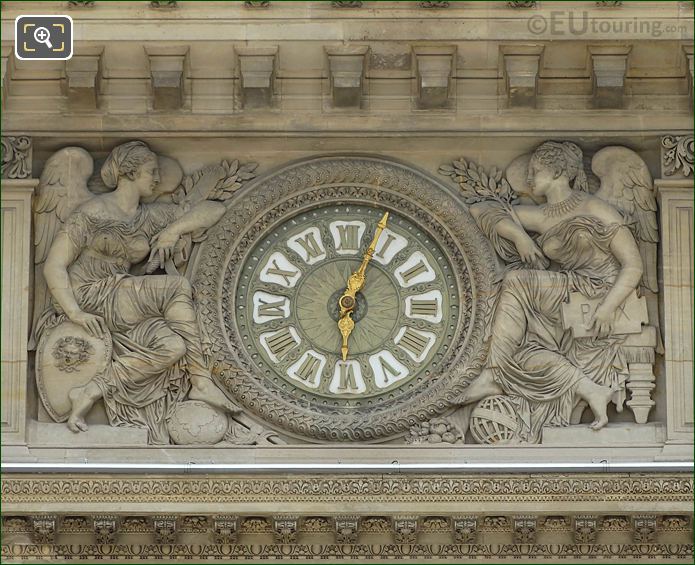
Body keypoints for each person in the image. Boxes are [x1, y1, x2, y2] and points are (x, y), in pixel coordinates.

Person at [43, 140, 239, 443]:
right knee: (177, 286)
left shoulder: (150, 216)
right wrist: (75, 312)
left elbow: (215, 209)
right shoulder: (91, 212)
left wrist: (174, 229)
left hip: (124, 302)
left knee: (173, 347)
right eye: (151, 171)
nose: (157, 179)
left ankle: (91, 389)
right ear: (129, 172)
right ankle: (200, 380)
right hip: (90, 294)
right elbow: (54, 265)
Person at [458, 141, 644, 443]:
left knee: (517, 281)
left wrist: (608, 308)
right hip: (565, 295)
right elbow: (481, 210)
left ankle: (494, 371)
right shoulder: (542, 215)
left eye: (536, 171)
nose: (530, 179)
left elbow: (633, 265)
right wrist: (520, 237)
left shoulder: (595, 208)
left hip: (598, 291)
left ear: (558, 171)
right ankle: (515, 370)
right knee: (528, 352)